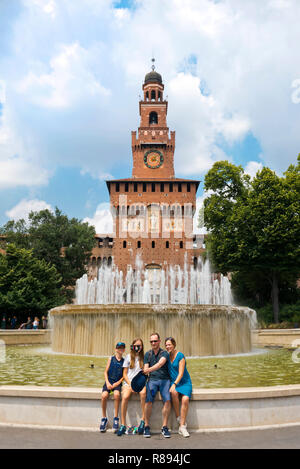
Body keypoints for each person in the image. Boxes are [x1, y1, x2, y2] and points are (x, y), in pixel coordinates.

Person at [143, 332, 171, 438]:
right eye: (151, 341)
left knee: (167, 400)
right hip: (153, 380)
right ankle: (146, 426)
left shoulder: (165, 353)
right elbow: (145, 366)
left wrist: (147, 370)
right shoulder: (148, 354)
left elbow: (160, 364)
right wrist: (146, 370)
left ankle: (164, 427)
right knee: (148, 400)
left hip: (164, 380)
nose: (153, 343)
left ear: (159, 341)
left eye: (155, 341)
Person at [117, 338, 146, 436]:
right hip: (128, 383)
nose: (138, 347)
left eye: (140, 345)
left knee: (143, 394)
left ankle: (143, 420)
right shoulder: (128, 357)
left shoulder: (144, 358)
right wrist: (131, 384)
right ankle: (123, 424)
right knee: (125, 397)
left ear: (142, 347)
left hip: (140, 383)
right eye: (136, 345)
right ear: (133, 346)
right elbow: (124, 374)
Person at [165, 337, 192, 438]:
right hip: (174, 382)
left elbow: (181, 373)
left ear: (174, 345)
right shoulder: (167, 357)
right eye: (166, 345)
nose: (168, 347)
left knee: (185, 399)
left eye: (169, 344)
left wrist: (174, 384)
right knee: (173, 393)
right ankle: (178, 417)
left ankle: (182, 427)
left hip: (184, 382)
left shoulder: (180, 355)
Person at [100, 342, 125, 433]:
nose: (120, 349)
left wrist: (116, 384)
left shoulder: (124, 361)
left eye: (122, 348)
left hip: (117, 383)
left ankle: (116, 418)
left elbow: (124, 376)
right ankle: (104, 418)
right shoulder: (111, 359)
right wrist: (107, 382)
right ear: (116, 349)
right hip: (109, 382)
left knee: (117, 394)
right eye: (119, 348)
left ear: (124, 349)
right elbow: (105, 372)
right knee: (104, 395)